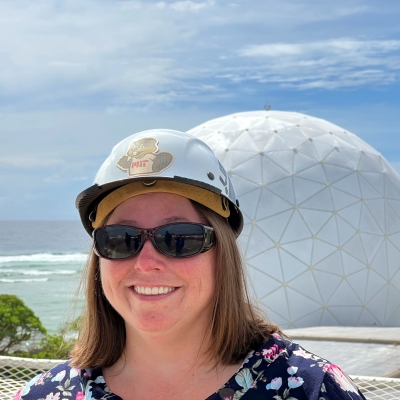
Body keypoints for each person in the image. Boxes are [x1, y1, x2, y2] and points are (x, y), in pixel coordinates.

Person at [14, 129, 366, 400]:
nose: (147, 262)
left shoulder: (311, 389)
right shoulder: (46, 394)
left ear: (222, 253)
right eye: (120, 239)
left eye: (180, 238)